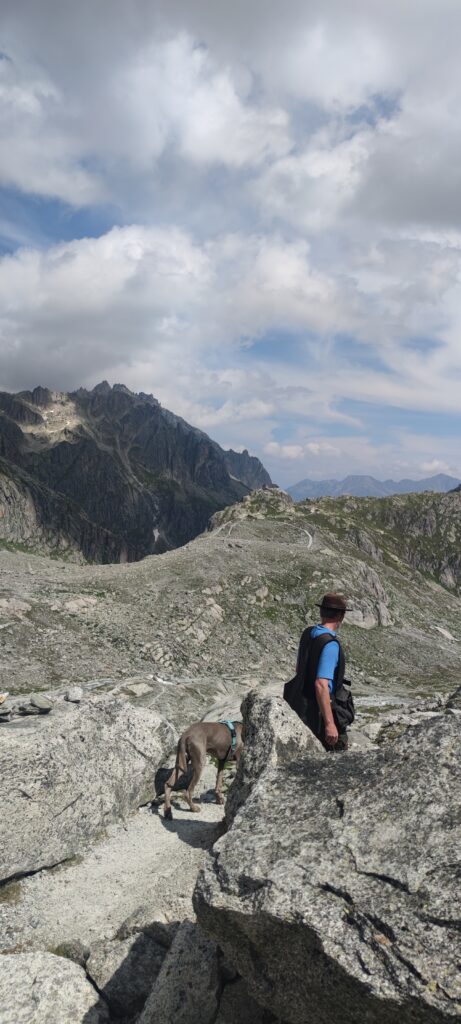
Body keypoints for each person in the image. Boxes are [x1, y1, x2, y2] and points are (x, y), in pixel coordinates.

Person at [297, 593, 351, 752]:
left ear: (321, 613)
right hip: (322, 713)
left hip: (303, 708)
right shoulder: (330, 644)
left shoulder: (308, 633)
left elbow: (299, 669)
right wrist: (330, 724)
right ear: (341, 616)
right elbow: (321, 684)